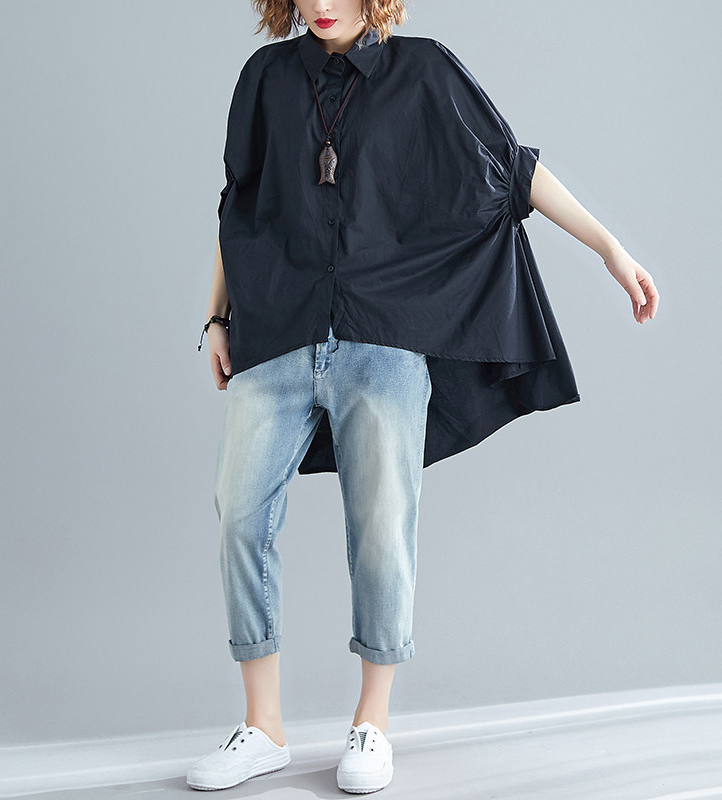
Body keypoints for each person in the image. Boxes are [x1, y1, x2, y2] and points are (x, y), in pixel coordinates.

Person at [187, 0, 660, 793]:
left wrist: (610, 248)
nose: (322, 5)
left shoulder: (425, 69)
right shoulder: (264, 77)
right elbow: (239, 203)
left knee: (381, 528)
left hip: (384, 340)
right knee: (238, 513)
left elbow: (513, 170)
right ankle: (262, 727)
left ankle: (371, 725)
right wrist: (216, 316)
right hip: (276, 332)